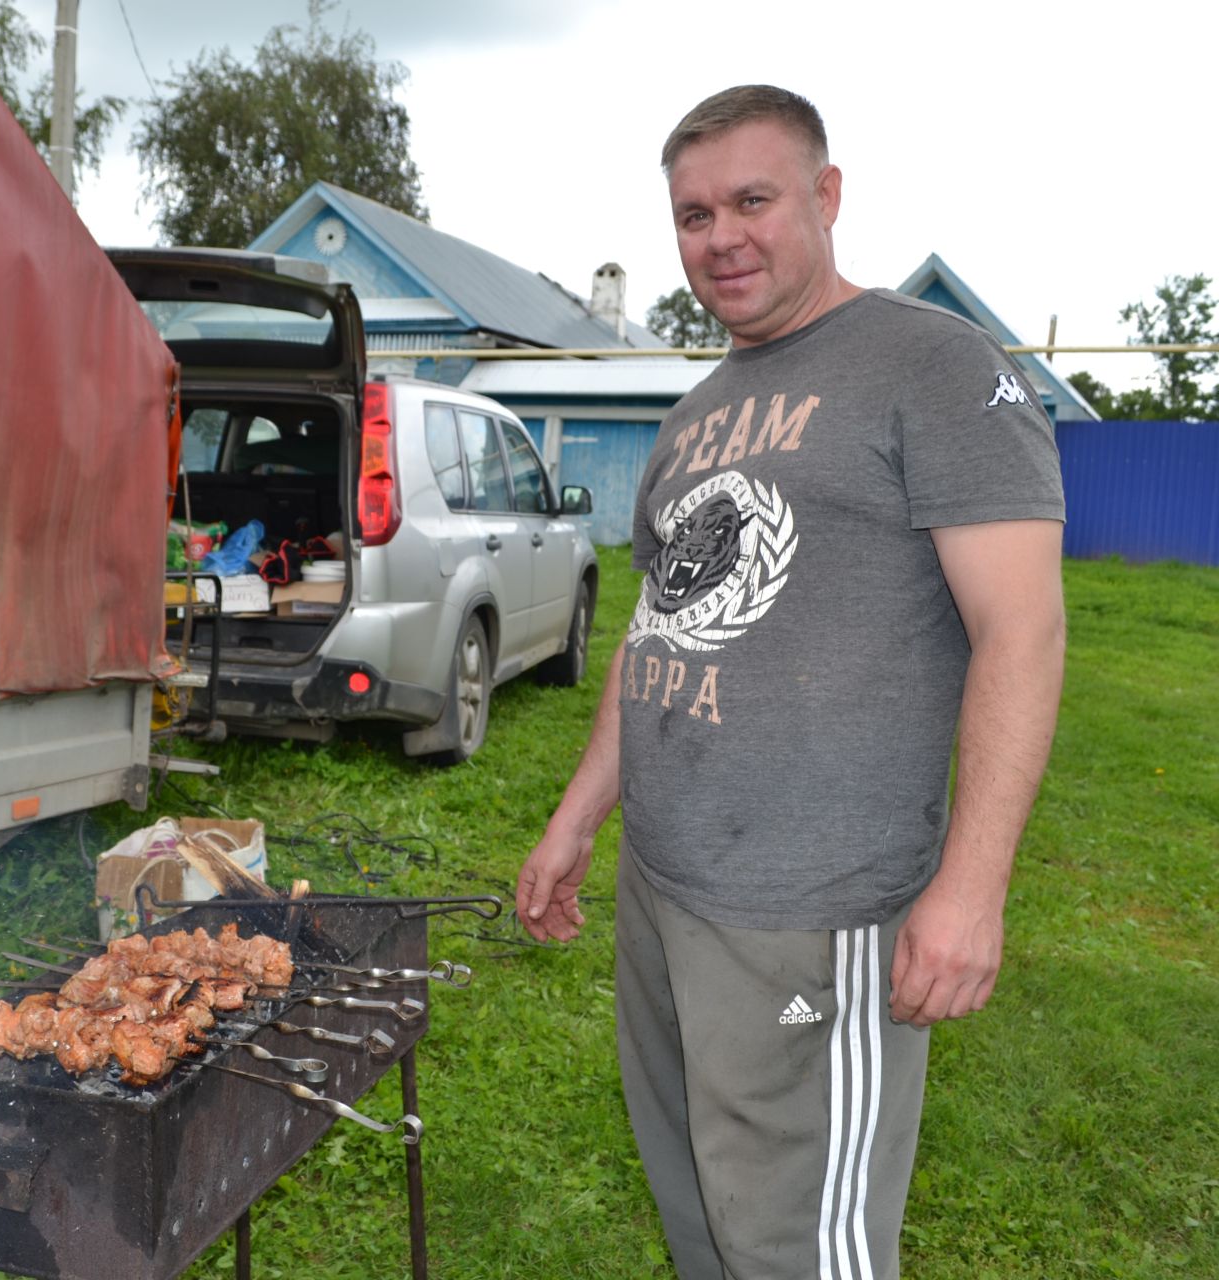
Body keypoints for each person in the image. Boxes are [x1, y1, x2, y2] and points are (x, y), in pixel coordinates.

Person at [514, 84, 1066, 1280]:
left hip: (814, 906)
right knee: (703, 1217)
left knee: (799, 1248)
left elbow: (1023, 630)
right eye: (693, 213)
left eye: (752, 199)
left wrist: (970, 890)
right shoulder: (697, 415)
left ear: (825, 195)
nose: (722, 237)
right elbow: (657, 633)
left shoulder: (934, 364)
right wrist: (574, 824)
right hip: (666, 890)